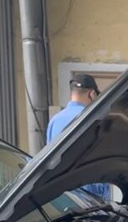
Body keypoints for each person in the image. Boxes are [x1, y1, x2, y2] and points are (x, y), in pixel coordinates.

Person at [46, 73, 111, 201]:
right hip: (91, 201)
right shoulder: (95, 119)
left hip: (62, 198)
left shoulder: (54, 121)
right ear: (92, 94)